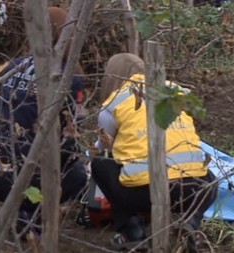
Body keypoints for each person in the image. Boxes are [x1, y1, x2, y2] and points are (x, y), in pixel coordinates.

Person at [91, 53, 218, 251]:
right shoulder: (175, 91)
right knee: (209, 177)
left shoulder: (114, 102)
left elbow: (102, 147)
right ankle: (191, 223)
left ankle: (132, 232)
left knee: (100, 164)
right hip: (193, 189)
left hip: (145, 193)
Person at [0, 7, 87, 234]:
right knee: (77, 175)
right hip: (21, 175)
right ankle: (31, 214)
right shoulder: (69, 78)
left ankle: (22, 211)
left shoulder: (14, 65)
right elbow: (71, 137)